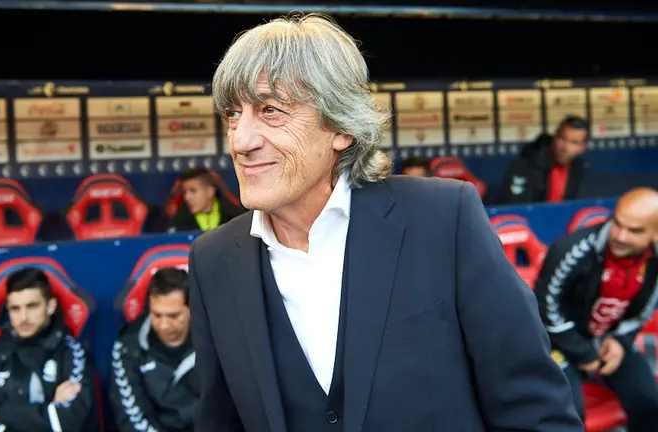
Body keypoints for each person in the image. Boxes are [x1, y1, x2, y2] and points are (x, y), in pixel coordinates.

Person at [188, 13, 583, 432]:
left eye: (270, 110)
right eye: (232, 113)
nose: (240, 140)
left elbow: (535, 409)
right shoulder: (212, 260)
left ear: (340, 127)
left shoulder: (444, 219)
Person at [535, 187, 658, 431]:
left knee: (649, 403)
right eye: (617, 223)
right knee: (570, 413)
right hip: (558, 342)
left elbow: (642, 312)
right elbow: (543, 308)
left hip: (608, 338)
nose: (620, 236)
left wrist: (620, 341)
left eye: (635, 231)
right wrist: (584, 353)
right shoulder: (571, 249)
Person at [0, 267, 98, 432]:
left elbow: (69, 422)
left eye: (32, 306)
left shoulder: (72, 353)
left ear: (50, 306)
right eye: (15, 308)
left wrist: (2, 413)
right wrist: (50, 410)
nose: (24, 317)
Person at [110, 268, 198, 432]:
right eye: (157, 315)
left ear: (191, 309)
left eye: (173, 316)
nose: (164, 325)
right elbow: (131, 416)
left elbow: (224, 409)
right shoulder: (128, 347)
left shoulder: (215, 344)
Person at [496, 115, 589, 204]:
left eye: (574, 143)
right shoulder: (525, 166)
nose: (565, 148)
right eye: (562, 139)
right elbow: (516, 208)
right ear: (554, 137)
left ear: (583, 148)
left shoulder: (581, 170)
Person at [166, 167, 244, 233]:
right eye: (185, 192)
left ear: (210, 191)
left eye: (193, 191)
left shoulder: (235, 216)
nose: (187, 197)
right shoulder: (178, 223)